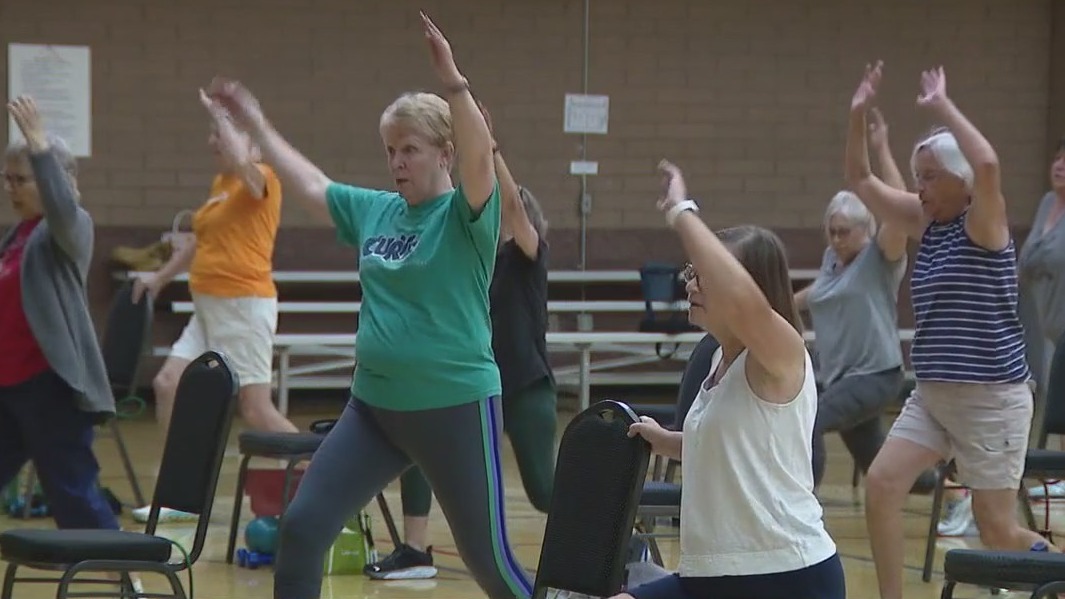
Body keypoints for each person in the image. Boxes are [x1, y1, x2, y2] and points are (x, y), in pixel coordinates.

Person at [204, 12, 533, 599]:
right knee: (303, 527)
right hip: (375, 411)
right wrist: (256, 123)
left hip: (455, 407)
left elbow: (482, 161)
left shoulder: (467, 217)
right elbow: (311, 184)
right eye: (390, 150)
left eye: (410, 149)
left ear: (444, 155)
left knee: (490, 563)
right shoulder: (377, 210)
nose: (397, 161)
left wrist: (453, 81)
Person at [845, 61, 1054, 599]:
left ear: (963, 183)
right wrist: (857, 113)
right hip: (934, 396)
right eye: (917, 177)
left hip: (991, 400)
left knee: (998, 532)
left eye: (931, 176)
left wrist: (942, 106)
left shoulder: (984, 223)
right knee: (882, 484)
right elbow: (860, 180)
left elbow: (988, 161)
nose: (919, 188)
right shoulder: (925, 221)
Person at [613, 160, 846, 599]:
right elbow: (734, 450)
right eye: (693, 274)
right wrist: (666, 441)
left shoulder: (782, 353)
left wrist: (681, 211)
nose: (692, 285)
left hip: (787, 576)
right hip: (711, 575)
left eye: (706, 276)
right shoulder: (717, 356)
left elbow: (744, 304)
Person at [364, 102, 559, 580]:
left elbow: (511, 208)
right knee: (417, 447)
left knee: (543, 490)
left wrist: (487, 149)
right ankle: (414, 550)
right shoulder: (464, 254)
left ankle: (619, 537)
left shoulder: (525, 257)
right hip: (467, 386)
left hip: (524, 387)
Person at [128, 87, 298, 524]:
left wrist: (222, 112)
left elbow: (243, 162)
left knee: (255, 409)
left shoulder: (262, 180)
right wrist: (159, 278)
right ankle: (178, 496)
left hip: (243, 307)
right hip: (207, 309)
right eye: (212, 132)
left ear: (251, 144)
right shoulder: (221, 187)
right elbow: (198, 241)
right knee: (168, 383)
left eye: (220, 134)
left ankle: (320, 475)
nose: (212, 141)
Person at [0, 96, 119, 534]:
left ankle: (122, 569)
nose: (11, 189)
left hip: (49, 387)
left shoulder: (68, 229)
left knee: (73, 496)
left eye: (21, 179)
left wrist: (39, 145)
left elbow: (63, 208)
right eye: (7, 179)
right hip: (9, 386)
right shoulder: (18, 234)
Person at [1017, 140, 1065, 498]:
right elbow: (1026, 263)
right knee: (1058, 398)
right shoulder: (1048, 203)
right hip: (1051, 326)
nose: (1060, 165)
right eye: (1058, 157)